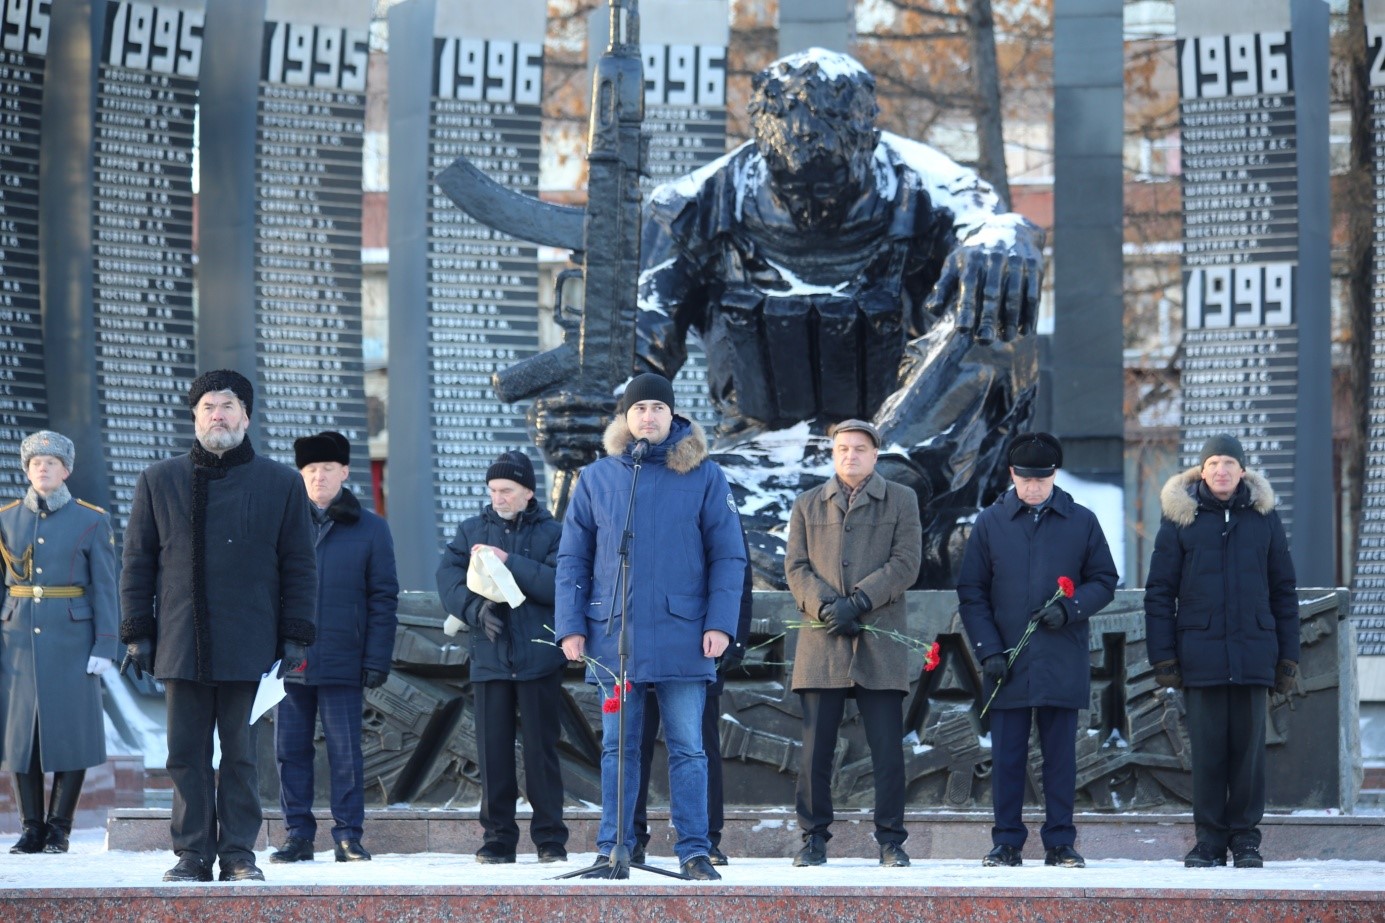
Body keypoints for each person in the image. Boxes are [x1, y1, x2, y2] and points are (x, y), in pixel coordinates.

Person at [529, 48, 1044, 589]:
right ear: (763, 149)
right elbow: (637, 348)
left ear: (868, 144)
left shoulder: (929, 190)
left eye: (833, 186)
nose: (813, 206)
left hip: (901, 469)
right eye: (794, 185)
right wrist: (600, 419)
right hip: (750, 467)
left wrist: (1007, 242)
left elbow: (993, 222)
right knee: (684, 511)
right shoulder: (692, 209)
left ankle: (881, 507)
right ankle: (842, 552)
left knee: (1001, 304)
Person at [119, 370, 317, 883]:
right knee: (184, 754)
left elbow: (299, 564)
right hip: (182, 640)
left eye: (228, 405)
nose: (218, 415)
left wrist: (296, 635)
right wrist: (138, 629)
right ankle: (191, 854)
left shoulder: (281, 482)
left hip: (251, 643)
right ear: (195, 416)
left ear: (246, 416)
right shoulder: (159, 479)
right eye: (208, 406)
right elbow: (137, 561)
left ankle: (237, 854)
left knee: (242, 756)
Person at [555, 372, 745, 881]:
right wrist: (571, 627)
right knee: (618, 747)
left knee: (688, 748)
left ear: (673, 416)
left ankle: (695, 851)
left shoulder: (705, 475)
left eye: (658, 408)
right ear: (626, 418)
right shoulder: (598, 477)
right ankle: (613, 848)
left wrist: (721, 625)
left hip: (685, 635)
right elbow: (573, 558)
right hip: (615, 637)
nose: (648, 417)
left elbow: (728, 556)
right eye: (639, 409)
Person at [956, 432, 1118, 869]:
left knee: (1060, 759)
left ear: (1054, 476)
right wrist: (989, 650)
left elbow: (1105, 580)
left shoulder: (1081, 521)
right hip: (1006, 660)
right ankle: (1006, 842)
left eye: (1042, 480)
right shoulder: (990, 523)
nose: (1033, 488)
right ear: (1012, 475)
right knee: (1006, 757)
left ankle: (1060, 843)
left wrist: (1070, 609)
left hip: (1060, 657)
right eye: (1026, 479)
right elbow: (971, 592)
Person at [1144, 434, 1299, 869]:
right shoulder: (1181, 519)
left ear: (1243, 471)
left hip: (1253, 654)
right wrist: (1164, 657)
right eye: (1213, 462)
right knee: (1208, 754)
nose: (1221, 470)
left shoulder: (1264, 519)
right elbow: (1159, 592)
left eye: (1230, 462)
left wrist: (1289, 657)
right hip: (1200, 655)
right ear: (1202, 470)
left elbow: (1283, 590)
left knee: (1249, 755)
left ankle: (1246, 839)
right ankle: (1209, 841)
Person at [784, 419, 922, 867]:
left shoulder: (901, 499)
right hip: (822, 641)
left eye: (859, 449)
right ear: (832, 453)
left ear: (875, 454)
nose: (850, 456)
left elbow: (906, 563)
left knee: (886, 749)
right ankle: (813, 838)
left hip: (877, 641)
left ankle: (890, 840)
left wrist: (860, 601)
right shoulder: (808, 504)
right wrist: (827, 607)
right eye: (842, 448)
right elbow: (796, 567)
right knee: (816, 751)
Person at [270, 432, 398, 865]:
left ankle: (348, 836)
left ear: (345, 471)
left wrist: (377, 657)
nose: (318, 477)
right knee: (290, 750)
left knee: (346, 751)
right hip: (289, 660)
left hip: (344, 658)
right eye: (310, 470)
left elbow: (383, 597)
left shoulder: (371, 528)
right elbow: (264, 592)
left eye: (327, 469)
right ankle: (297, 835)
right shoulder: (284, 523)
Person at [435, 448, 569, 865]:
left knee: (541, 752)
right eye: (493, 490)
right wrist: (475, 611)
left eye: (507, 490)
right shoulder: (471, 528)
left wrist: (511, 563)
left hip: (539, 658)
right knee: (492, 755)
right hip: (490, 658)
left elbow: (558, 584)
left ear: (528, 491)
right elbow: (447, 578)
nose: (498, 498)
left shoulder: (554, 533)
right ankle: (498, 839)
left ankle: (550, 839)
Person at [0, 431, 118, 854]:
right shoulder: (7, 517)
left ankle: (59, 828)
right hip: (15, 641)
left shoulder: (91, 519)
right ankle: (31, 828)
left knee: (71, 733)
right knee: (20, 738)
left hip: (73, 639)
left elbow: (105, 587)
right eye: (35, 463)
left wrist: (106, 644)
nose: (43, 468)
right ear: (27, 470)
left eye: (51, 462)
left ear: (66, 470)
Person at [632, 533, 752, 866]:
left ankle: (707, 839)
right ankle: (631, 837)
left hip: (699, 648)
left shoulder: (709, 490)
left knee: (699, 746)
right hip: (640, 647)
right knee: (633, 745)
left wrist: (734, 638)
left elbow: (736, 576)